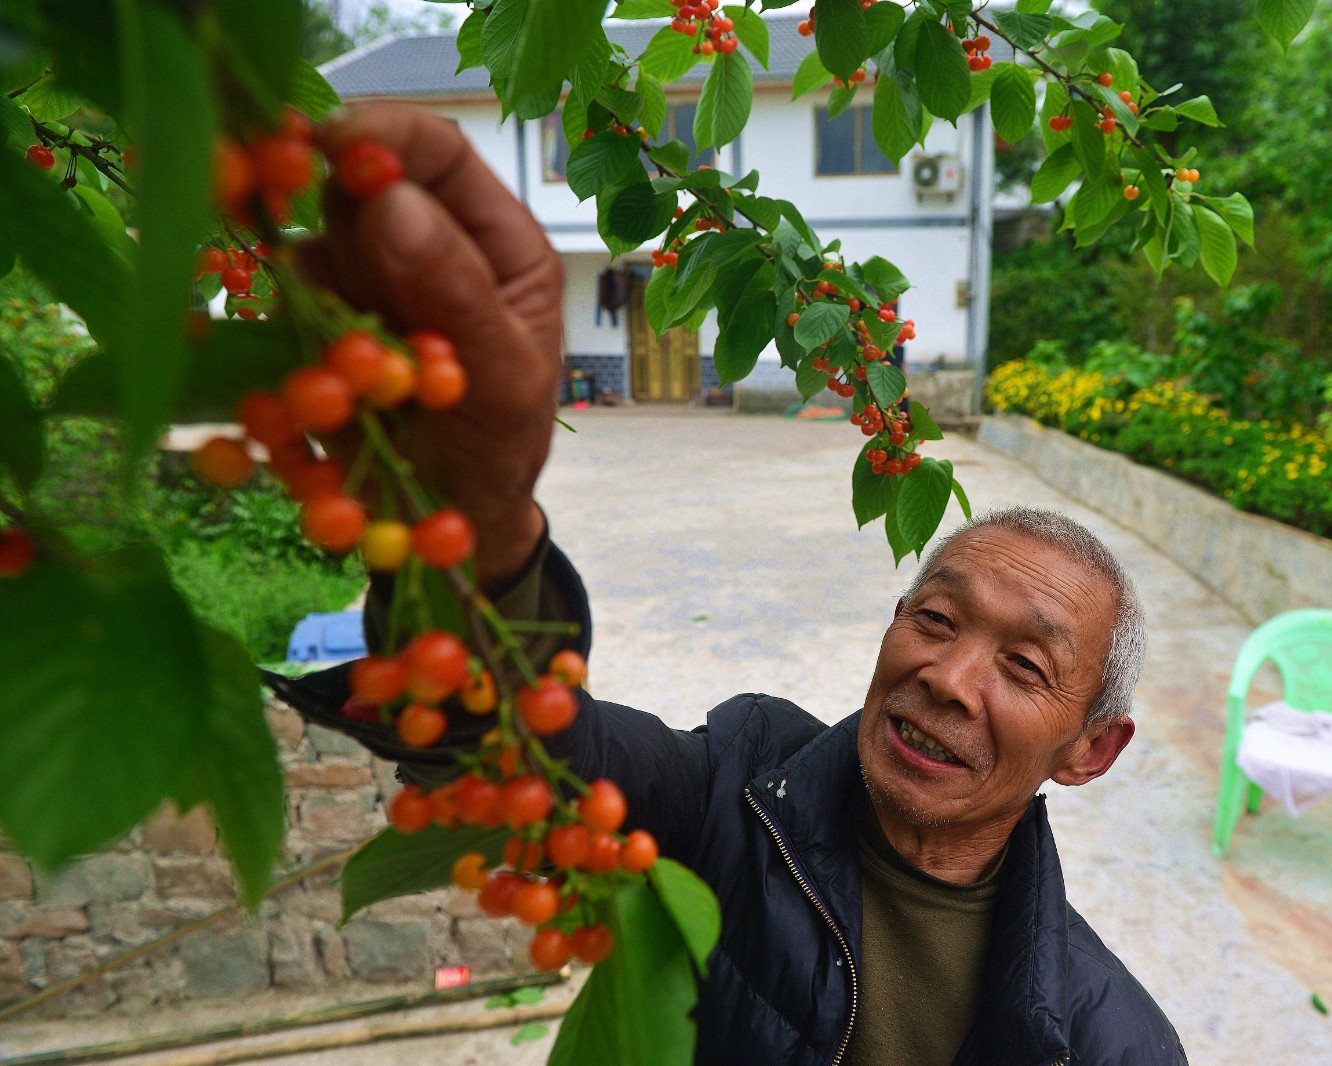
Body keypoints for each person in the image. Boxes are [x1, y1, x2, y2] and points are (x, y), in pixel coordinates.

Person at [278, 102, 1187, 1065]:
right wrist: (475, 537)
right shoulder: (741, 787)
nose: (949, 678)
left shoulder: (1111, 1043)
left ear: (1092, 749)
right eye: (935, 617)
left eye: (1024, 664)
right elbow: (518, 748)